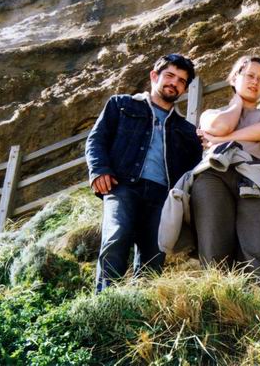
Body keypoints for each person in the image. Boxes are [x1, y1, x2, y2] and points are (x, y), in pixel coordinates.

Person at [85, 54, 203, 292]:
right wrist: (99, 170)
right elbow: (96, 140)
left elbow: (195, 167)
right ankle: (104, 304)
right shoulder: (121, 104)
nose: (174, 83)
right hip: (122, 186)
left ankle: (138, 312)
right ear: (154, 76)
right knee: (117, 237)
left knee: (154, 253)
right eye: (169, 76)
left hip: (163, 196)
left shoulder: (188, 130)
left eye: (181, 80)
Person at [192, 55, 260, 279]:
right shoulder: (212, 114)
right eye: (250, 76)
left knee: (259, 251)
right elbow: (220, 125)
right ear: (234, 78)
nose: (256, 82)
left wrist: (220, 141)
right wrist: (237, 102)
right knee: (213, 251)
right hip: (214, 177)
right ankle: (219, 305)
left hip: (255, 180)